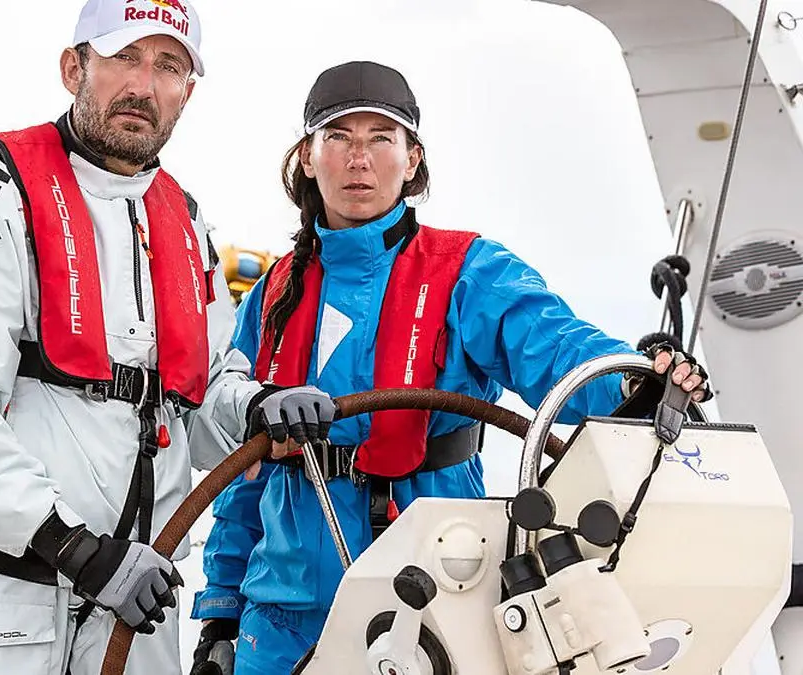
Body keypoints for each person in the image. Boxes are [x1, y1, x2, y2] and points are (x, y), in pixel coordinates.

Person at [187, 60, 712, 675]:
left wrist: (634, 381)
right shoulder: (273, 292)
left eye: (381, 138)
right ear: (308, 157)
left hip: (430, 597)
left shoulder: (470, 272)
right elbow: (243, 469)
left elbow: (556, 348)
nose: (360, 159)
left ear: (412, 160)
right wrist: (221, 613)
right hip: (280, 614)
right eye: (339, 138)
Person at [0, 2, 333, 673]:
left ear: (188, 91)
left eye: (168, 66)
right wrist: (72, 547)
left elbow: (199, 401)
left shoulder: (185, 223)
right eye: (125, 57)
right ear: (74, 68)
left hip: (136, 612)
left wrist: (257, 406)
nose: (143, 85)